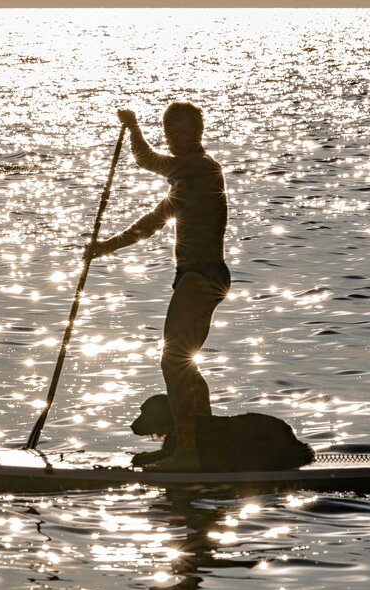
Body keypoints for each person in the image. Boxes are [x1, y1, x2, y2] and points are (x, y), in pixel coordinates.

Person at [86, 102, 230, 471]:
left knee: (174, 361)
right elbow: (148, 224)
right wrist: (104, 248)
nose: (176, 139)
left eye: (183, 132)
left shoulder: (202, 167)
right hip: (193, 277)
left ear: (198, 133)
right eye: (171, 133)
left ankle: (187, 453)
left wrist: (132, 126)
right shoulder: (184, 187)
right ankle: (201, 445)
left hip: (203, 275)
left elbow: (147, 160)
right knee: (186, 365)